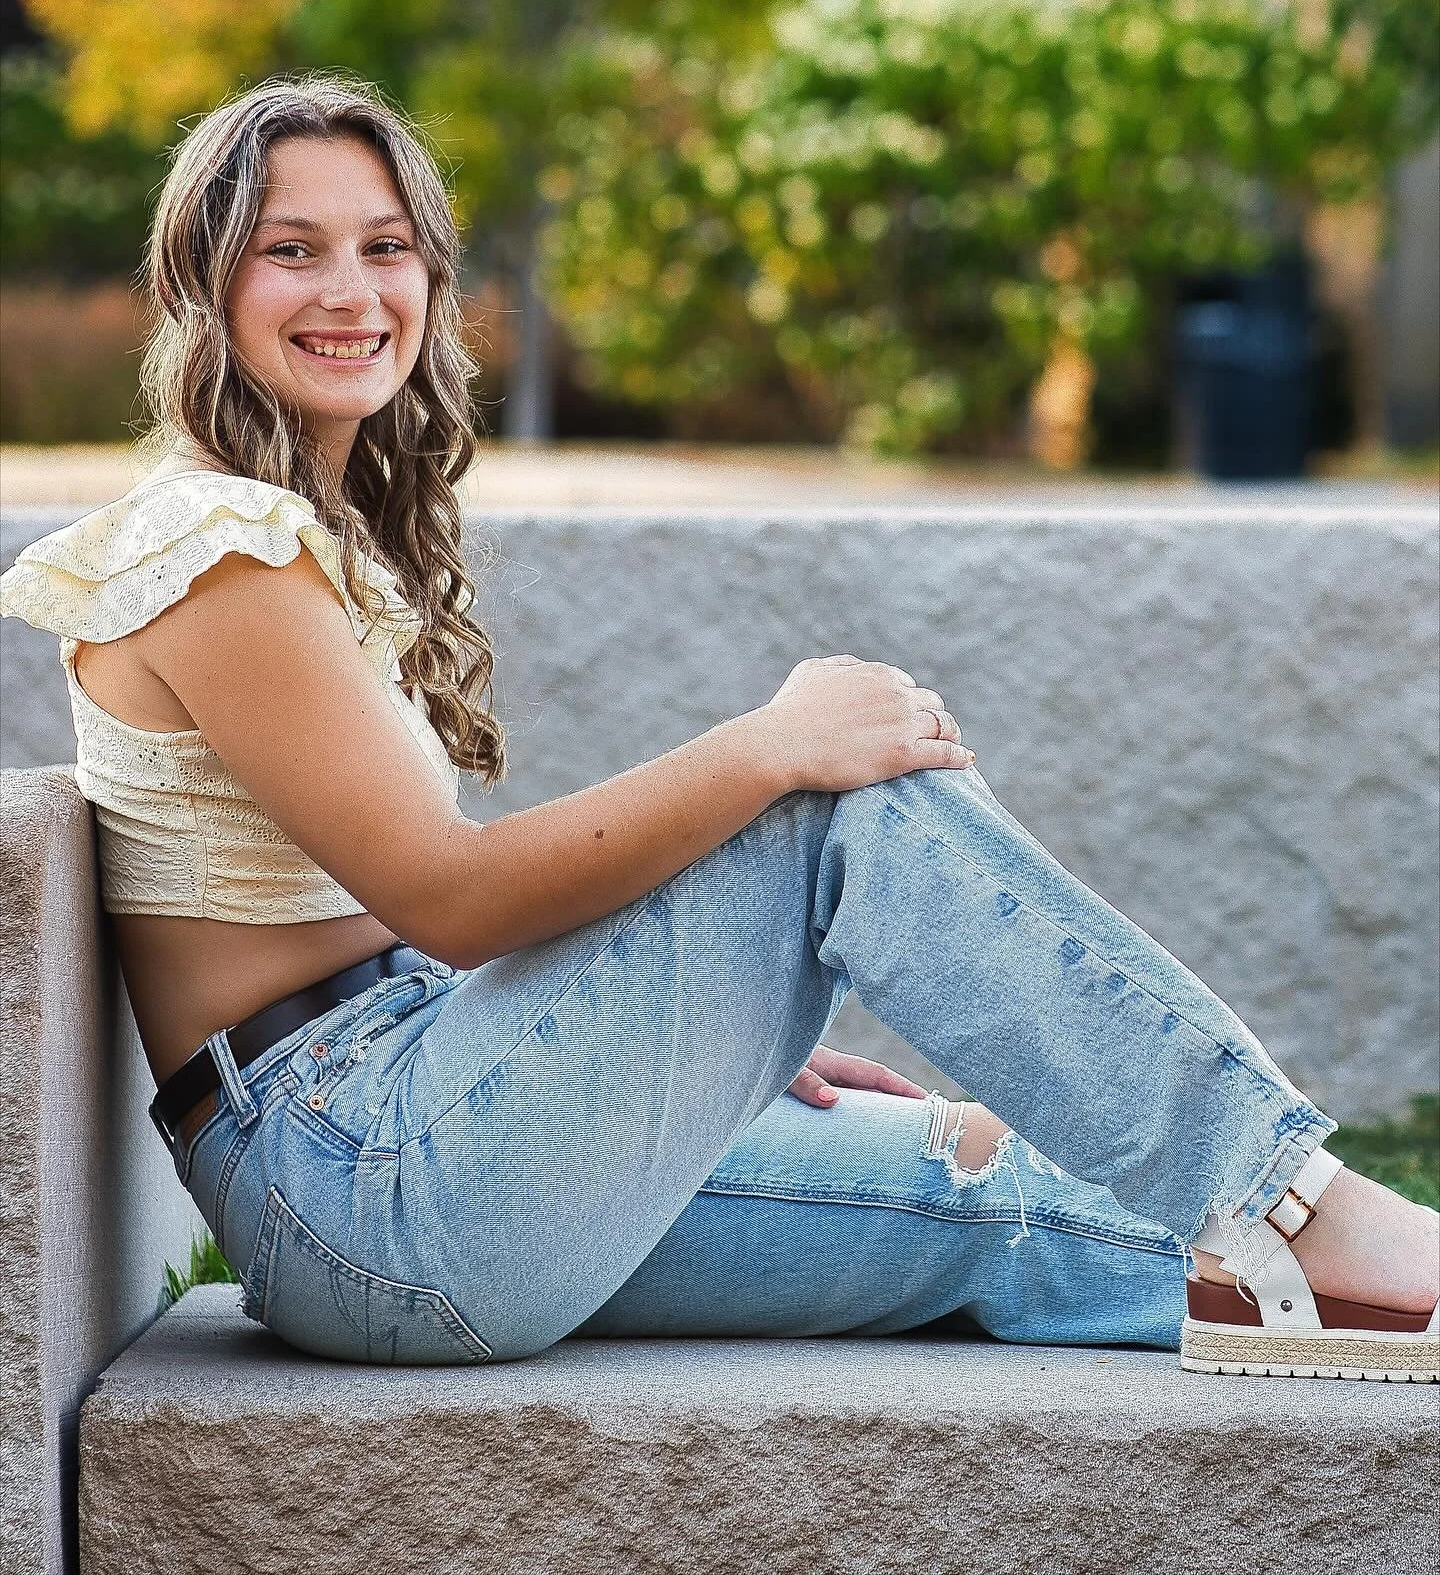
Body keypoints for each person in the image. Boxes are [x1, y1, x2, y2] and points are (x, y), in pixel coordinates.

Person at [3, 75, 1435, 1380]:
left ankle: (1339, 1295)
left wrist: (681, 1033)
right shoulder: (215, 548)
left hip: (411, 1136)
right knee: (835, 800)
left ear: (434, 276)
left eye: (386, 247)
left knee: (974, 1182)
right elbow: (447, 893)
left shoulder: (301, 538)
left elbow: (395, 927)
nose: (351, 289)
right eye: (291, 248)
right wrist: (772, 744)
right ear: (206, 277)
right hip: (368, 1182)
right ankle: (1295, 1193)